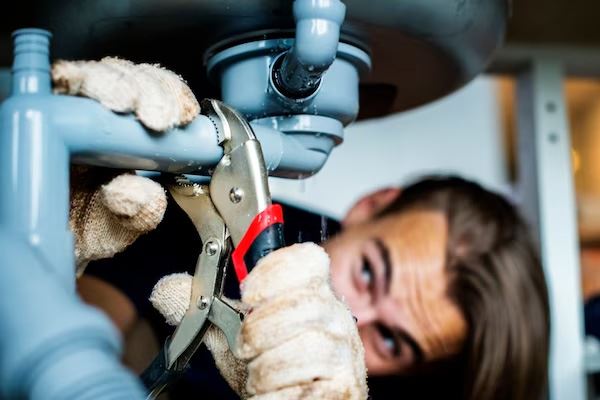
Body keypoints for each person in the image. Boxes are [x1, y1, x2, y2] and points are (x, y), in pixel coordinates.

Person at [61, 59, 550, 399]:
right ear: (371, 207)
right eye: (368, 272)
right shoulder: (216, 214)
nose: (349, 314)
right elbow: (96, 314)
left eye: (392, 341)